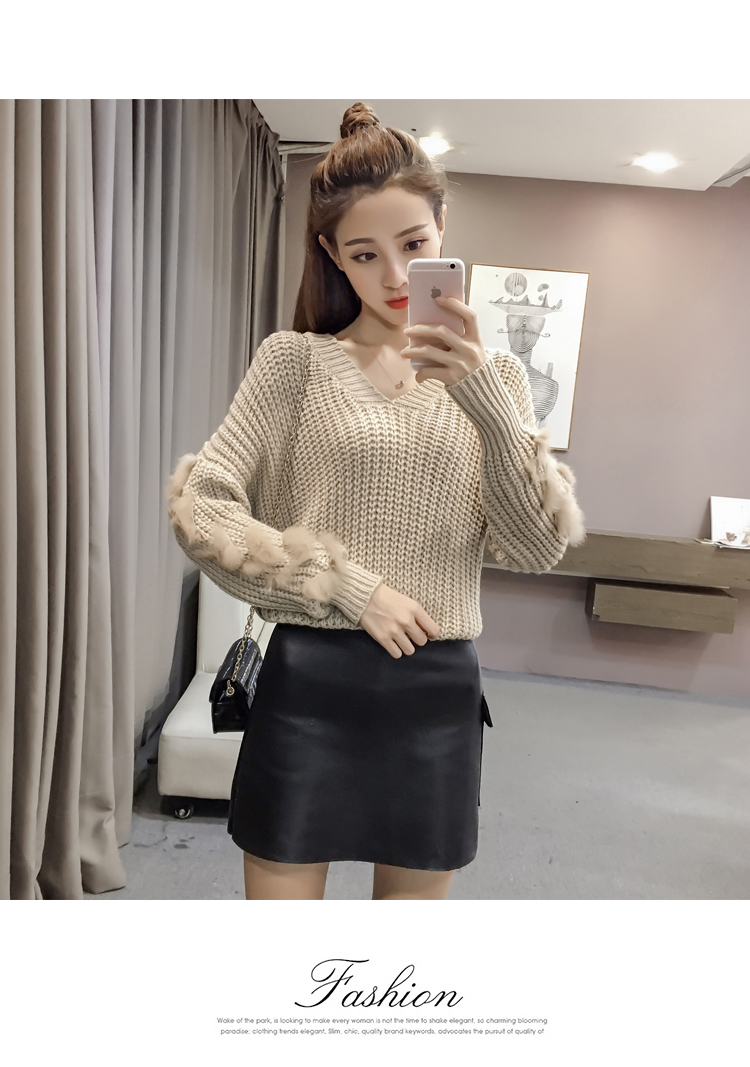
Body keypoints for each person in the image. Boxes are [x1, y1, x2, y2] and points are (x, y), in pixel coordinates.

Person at [167, 102, 586, 901]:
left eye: (414, 246)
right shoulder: (293, 364)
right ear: (332, 253)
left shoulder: (498, 380)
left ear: (442, 230)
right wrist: (351, 588)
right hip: (310, 686)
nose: (394, 276)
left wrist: (483, 402)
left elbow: (536, 545)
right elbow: (203, 509)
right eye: (365, 254)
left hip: (435, 696)